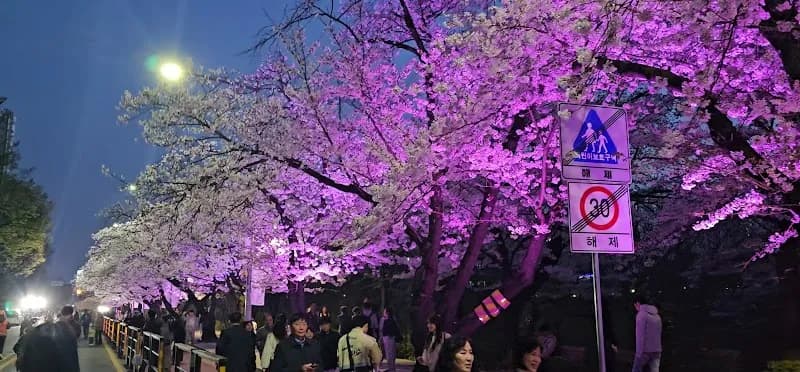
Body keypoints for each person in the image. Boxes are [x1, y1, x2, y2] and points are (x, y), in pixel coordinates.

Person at [632, 296, 662, 372]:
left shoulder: (641, 315)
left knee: (636, 370)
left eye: (635, 306)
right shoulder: (657, 316)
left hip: (645, 351)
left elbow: (640, 336)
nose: (635, 308)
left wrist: (638, 353)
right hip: (657, 350)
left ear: (637, 303)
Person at [380, 308, 400, 372]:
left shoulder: (384, 320)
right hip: (391, 338)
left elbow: (381, 330)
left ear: (386, 313)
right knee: (392, 355)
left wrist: (381, 338)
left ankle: (391, 369)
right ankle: (392, 369)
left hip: (387, 338)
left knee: (389, 355)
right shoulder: (393, 320)